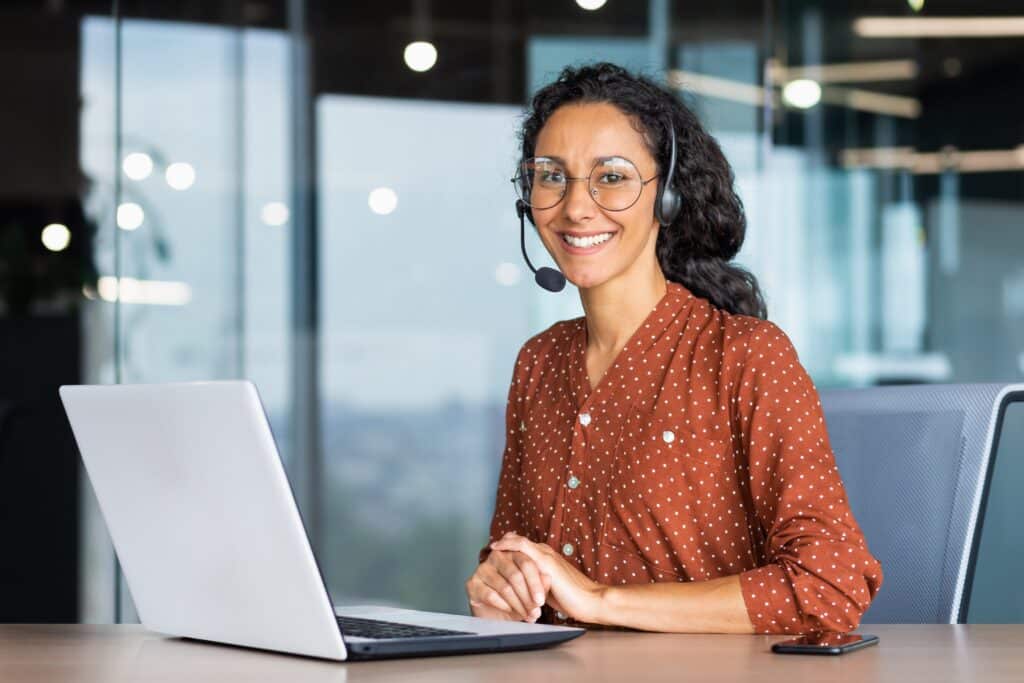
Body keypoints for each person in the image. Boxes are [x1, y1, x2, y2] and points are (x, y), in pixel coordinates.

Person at [464, 62, 883, 634]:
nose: (575, 207)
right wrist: (501, 585)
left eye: (611, 177)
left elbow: (831, 585)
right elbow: (514, 554)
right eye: (552, 176)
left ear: (666, 195)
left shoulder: (746, 355)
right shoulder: (538, 362)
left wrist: (600, 601)